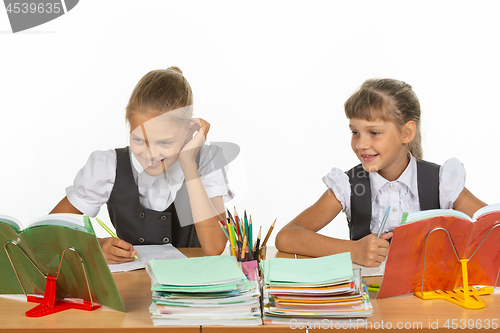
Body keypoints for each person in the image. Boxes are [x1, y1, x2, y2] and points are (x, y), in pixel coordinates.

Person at [275, 78, 486, 267]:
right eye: (355, 132)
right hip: (372, 302)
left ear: (407, 132)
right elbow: (287, 236)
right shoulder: (349, 185)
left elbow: (492, 225)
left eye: (374, 133)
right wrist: (354, 251)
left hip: (429, 301)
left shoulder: (441, 182)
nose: (361, 144)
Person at [51, 67, 232, 263]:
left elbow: (214, 248)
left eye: (164, 142)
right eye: (138, 140)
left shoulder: (206, 160)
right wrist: (95, 245)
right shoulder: (108, 166)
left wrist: (188, 163)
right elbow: (48, 231)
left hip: (192, 289)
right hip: (131, 285)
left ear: (189, 133)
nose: (150, 154)